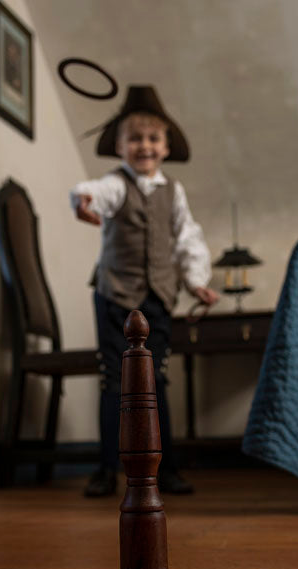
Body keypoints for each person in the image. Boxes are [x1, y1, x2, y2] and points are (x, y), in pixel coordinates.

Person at [70, 85, 219, 497]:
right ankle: (105, 471)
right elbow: (97, 195)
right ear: (120, 145)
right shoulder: (115, 185)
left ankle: (165, 470)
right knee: (114, 383)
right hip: (115, 296)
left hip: (157, 299)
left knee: (157, 384)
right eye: (134, 138)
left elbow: (189, 237)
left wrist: (196, 282)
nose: (144, 146)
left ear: (165, 147)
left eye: (153, 138)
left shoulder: (175, 192)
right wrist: (83, 200)